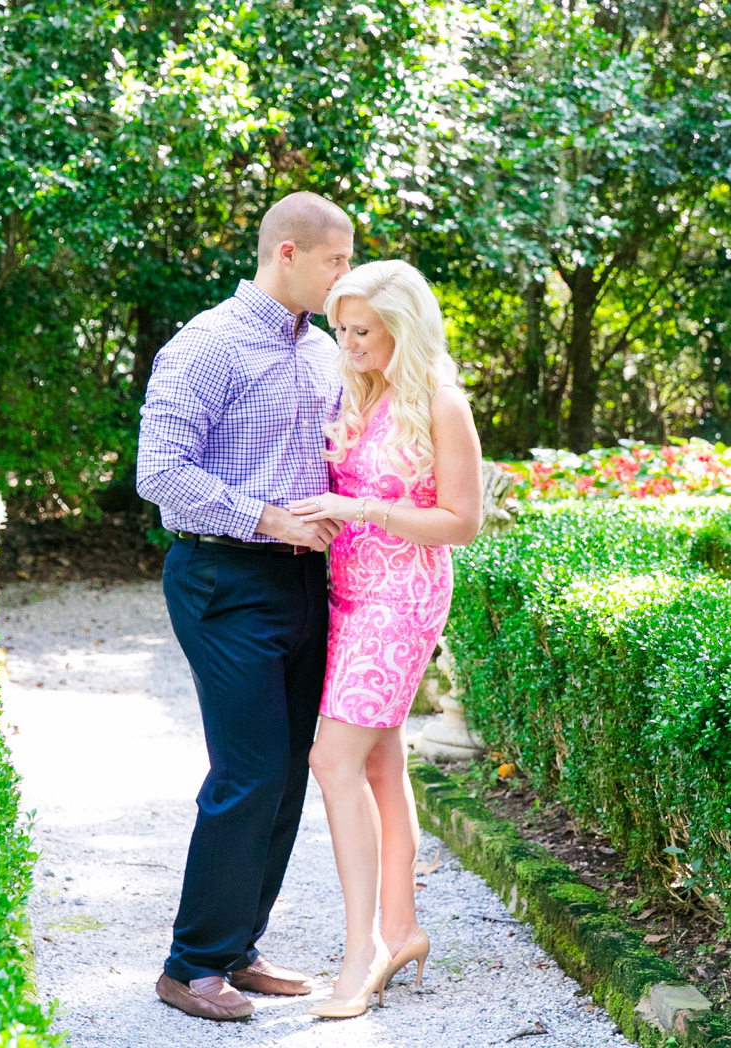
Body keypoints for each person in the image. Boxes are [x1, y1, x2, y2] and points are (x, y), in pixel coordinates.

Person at [135, 191, 354, 1021]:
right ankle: (189, 966)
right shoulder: (207, 346)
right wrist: (271, 519)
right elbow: (159, 472)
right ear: (288, 254)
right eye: (336, 261)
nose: (345, 276)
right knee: (249, 769)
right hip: (223, 577)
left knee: (290, 769)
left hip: (305, 584)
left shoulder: (326, 352)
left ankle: (236, 945)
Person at [286, 260, 482, 1019]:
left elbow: (461, 521)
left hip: (402, 600)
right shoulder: (362, 393)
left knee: (331, 758)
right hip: (347, 593)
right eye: (341, 329)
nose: (349, 343)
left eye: (362, 330)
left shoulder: (442, 401)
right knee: (376, 763)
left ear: (404, 324)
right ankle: (401, 928)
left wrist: (363, 510)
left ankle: (362, 947)